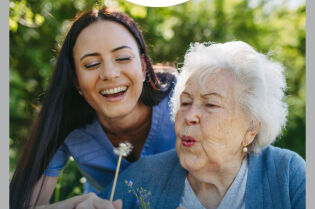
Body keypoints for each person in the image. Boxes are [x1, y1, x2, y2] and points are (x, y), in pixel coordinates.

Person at [99, 41, 306, 209]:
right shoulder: (145, 176)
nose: (190, 116)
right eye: (186, 102)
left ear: (251, 129)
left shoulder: (287, 175)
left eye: (211, 104)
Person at [10, 7, 177, 209]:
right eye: (91, 64)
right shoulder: (64, 120)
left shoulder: (186, 96)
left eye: (123, 58)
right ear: (76, 80)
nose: (109, 73)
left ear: (143, 67)